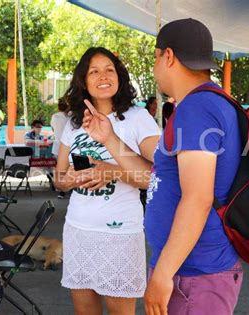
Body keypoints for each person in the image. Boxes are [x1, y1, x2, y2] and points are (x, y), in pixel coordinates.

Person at [81, 19, 243, 315]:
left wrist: (164, 272)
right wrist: (108, 137)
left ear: (167, 56)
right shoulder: (203, 103)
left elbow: (198, 198)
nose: (156, 67)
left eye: (155, 58)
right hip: (190, 269)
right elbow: (159, 175)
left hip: (194, 273)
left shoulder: (197, 108)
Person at [54, 47, 160, 314]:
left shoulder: (138, 118)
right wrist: (72, 180)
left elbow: (156, 179)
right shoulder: (74, 123)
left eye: (109, 69)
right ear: (84, 81)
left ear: (119, 76)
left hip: (120, 234)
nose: (103, 76)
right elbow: (59, 178)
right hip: (79, 229)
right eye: (94, 71)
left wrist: (111, 171)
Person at [50, 97, 70, 198]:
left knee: (60, 169)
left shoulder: (54, 116)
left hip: (57, 146)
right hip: (68, 146)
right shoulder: (70, 117)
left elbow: (53, 129)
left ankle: (61, 190)